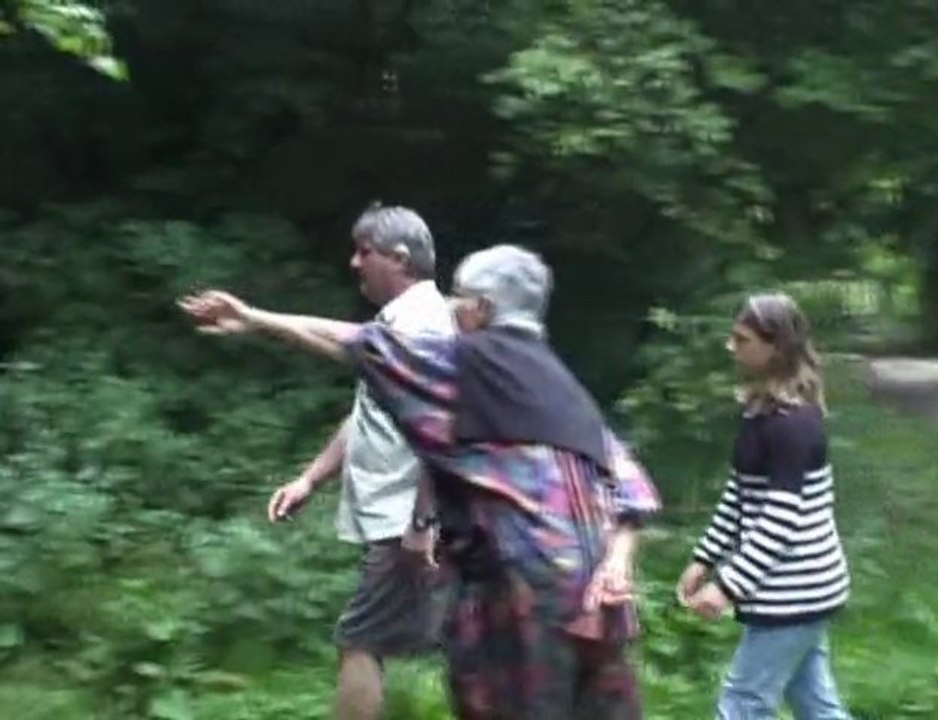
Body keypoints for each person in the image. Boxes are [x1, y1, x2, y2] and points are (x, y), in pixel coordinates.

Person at [179, 244, 661, 720]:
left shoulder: (466, 363)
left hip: (519, 597)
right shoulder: (564, 387)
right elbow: (632, 491)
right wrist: (617, 563)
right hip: (597, 601)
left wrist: (257, 319)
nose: (450, 307)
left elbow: (359, 345)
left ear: (480, 309)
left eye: (458, 297)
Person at [266, 204, 455, 720]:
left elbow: (443, 430)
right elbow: (368, 417)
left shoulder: (418, 327)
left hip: (408, 522)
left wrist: (423, 522)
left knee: (361, 639)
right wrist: (310, 479)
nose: (353, 263)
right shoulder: (401, 323)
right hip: (407, 520)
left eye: (363, 251)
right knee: (464, 642)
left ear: (398, 258)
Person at [676, 292, 851, 720]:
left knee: (742, 704)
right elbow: (741, 496)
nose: (731, 347)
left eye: (742, 339)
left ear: (775, 346)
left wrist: (727, 586)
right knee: (815, 705)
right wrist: (705, 558)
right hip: (793, 590)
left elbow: (780, 518)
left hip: (795, 589)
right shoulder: (761, 412)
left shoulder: (793, 424)